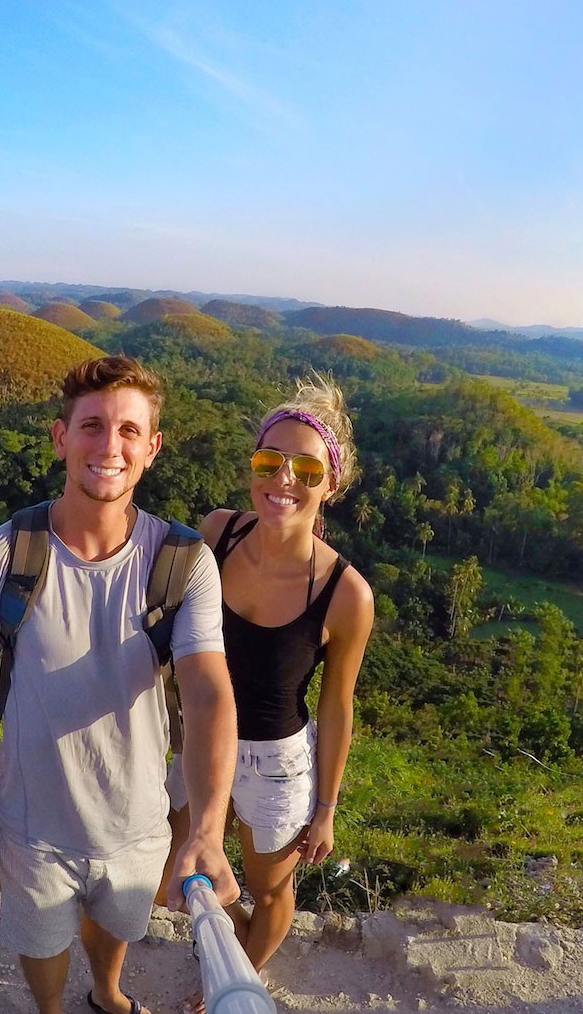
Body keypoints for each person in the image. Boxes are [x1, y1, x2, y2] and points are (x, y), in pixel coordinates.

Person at [0, 356, 239, 1014]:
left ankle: (106, 993)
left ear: (152, 448)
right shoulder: (0, 559)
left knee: (114, 931)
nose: (110, 446)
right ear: (60, 437)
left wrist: (208, 830)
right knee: (43, 948)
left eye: (130, 431)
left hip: (136, 822)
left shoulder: (182, 564)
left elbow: (209, 693)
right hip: (32, 826)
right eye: (93, 426)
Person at [166, 374, 373, 972]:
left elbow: (336, 706)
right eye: (269, 460)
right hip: (200, 740)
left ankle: (237, 982)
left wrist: (327, 808)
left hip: (273, 763)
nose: (284, 480)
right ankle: (229, 947)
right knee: (172, 874)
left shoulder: (344, 594)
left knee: (271, 890)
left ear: (329, 485)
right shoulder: (218, 533)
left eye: (306, 471)